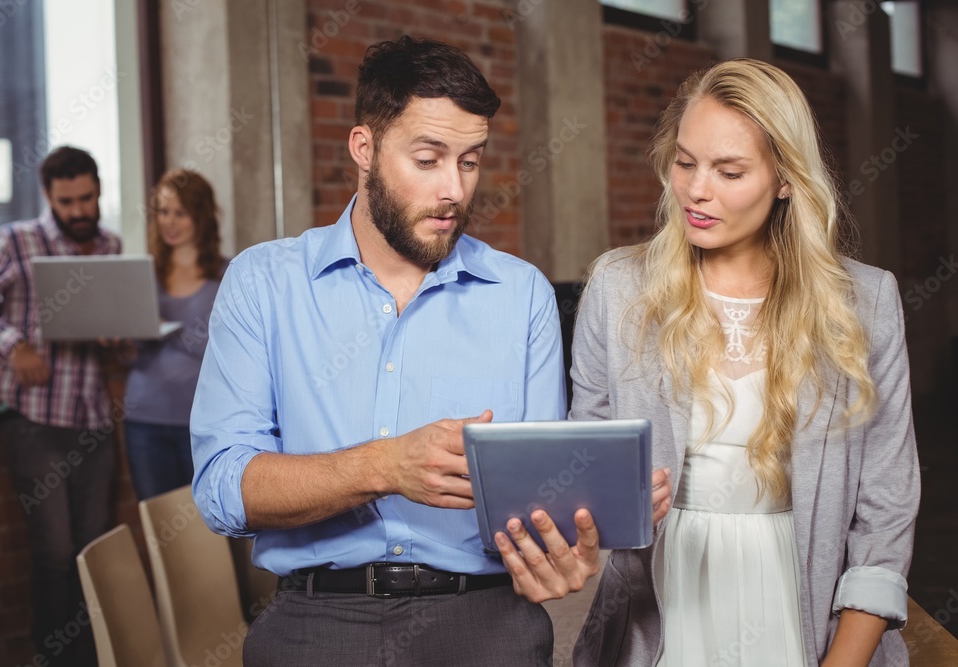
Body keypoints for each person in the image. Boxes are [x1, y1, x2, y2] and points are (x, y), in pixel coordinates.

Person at [191, 35, 671, 666]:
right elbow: (223, 489)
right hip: (316, 623)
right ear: (364, 149)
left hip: (488, 623)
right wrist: (386, 467)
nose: (454, 190)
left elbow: (538, 499)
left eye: (469, 162)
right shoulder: (263, 283)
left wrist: (569, 546)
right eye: (428, 159)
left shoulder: (521, 293)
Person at [570, 58, 920, 666]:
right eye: (685, 163)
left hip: (803, 607)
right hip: (660, 609)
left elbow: (886, 513)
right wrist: (602, 504)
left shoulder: (864, 303)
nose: (696, 190)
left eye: (729, 171)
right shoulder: (617, 287)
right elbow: (582, 469)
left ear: (786, 180)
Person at [0, 146, 120, 667]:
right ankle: (54, 657)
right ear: (49, 197)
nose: (79, 211)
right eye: (67, 201)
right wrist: (13, 344)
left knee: (92, 549)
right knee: (53, 552)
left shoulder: (111, 245)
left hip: (93, 420)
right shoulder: (16, 240)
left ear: (98, 192)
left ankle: (94, 654)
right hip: (33, 419)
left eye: (87, 198)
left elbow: (111, 328)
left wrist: (117, 335)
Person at [123, 169, 226, 500]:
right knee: (159, 527)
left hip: (203, 422)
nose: (169, 221)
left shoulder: (229, 274)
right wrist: (122, 337)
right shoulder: (143, 274)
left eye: (179, 212)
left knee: (210, 530)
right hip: (144, 417)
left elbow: (230, 351)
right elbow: (131, 355)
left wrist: (171, 330)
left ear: (201, 215)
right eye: (163, 212)